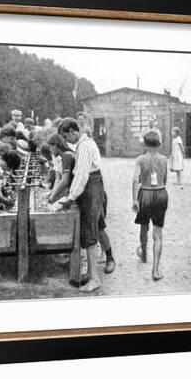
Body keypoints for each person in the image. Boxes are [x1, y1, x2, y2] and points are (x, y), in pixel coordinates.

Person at [57, 118, 106, 292]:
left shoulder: (85, 146)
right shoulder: (83, 143)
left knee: (90, 234)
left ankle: (95, 279)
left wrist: (70, 198)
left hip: (90, 188)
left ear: (73, 131)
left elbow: (82, 176)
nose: (66, 140)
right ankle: (90, 273)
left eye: (65, 136)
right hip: (92, 187)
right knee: (88, 232)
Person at [132, 131, 169, 281]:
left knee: (143, 226)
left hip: (145, 193)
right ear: (158, 144)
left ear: (145, 144)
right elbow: (165, 180)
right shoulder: (164, 159)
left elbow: (135, 180)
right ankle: (155, 270)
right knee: (158, 233)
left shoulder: (140, 159)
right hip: (161, 193)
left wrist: (134, 199)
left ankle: (144, 253)